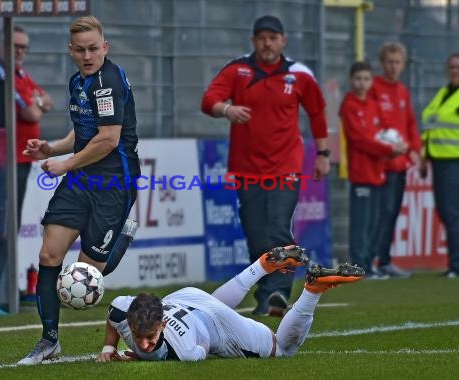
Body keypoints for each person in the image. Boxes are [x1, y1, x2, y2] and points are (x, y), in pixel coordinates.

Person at [17, 16, 140, 365]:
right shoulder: (78, 81)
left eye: (93, 48)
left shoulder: (108, 83)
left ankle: (122, 238)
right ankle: (49, 341)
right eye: (81, 50)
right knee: (49, 256)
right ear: (71, 51)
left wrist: (65, 165)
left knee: (85, 276)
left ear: (105, 47)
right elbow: (83, 133)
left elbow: (108, 139)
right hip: (81, 179)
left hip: (114, 183)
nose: (88, 55)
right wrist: (51, 150)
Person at [200, 15, 330, 317]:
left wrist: (323, 153)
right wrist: (226, 109)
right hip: (246, 170)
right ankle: (264, 294)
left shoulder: (299, 74)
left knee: (278, 230)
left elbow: (317, 113)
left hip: (286, 168)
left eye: (273, 37)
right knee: (257, 236)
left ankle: (278, 294)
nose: (267, 43)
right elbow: (209, 100)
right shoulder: (238, 69)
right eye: (262, 38)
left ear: (283, 41)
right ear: (253, 41)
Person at [96, 245, 364, 362]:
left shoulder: (186, 351)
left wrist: (143, 359)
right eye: (138, 337)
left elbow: (203, 348)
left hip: (216, 326)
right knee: (210, 305)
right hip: (186, 299)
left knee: (281, 349)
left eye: (150, 337)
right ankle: (261, 266)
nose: (143, 344)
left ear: (162, 324)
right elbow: (112, 315)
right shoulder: (122, 308)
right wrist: (110, 346)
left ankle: (312, 289)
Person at [0, 25, 54, 318]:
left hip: (18, 159)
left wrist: (37, 101)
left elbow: (48, 101)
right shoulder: (0, 73)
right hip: (0, 159)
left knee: (10, 226)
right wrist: (36, 102)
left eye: (23, 47)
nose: (20, 52)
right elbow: (32, 111)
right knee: (3, 227)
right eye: (14, 46)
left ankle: (3, 292)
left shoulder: (19, 74)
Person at [339, 62, 408, 278]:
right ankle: (360, 266)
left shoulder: (373, 103)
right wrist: (389, 148)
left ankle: (370, 264)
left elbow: (385, 129)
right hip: (361, 173)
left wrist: (399, 144)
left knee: (375, 222)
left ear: (371, 81)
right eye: (358, 78)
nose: (362, 83)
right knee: (361, 224)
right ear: (351, 80)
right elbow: (360, 140)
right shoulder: (349, 105)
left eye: (366, 79)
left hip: (378, 171)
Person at [369, 42, 421, 278]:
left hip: (400, 165)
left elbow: (411, 124)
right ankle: (372, 261)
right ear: (382, 63)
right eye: (389, 61)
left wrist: (415, 149)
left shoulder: (402, 91)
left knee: (391, 213)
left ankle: (385, 260)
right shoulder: (374, 88)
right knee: (379, 213)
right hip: (379, 164)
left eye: (397, 62)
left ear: (403, 64)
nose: (393, 66)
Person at [420, 52, 459, 279]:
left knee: (452, 213)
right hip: (439, 160)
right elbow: (430, 126)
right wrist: (425, 156)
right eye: (452, 66)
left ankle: (456, 265)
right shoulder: (444, 93)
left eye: (458, 67)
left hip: (454, 160)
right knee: (447, 212)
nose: (455, 70)